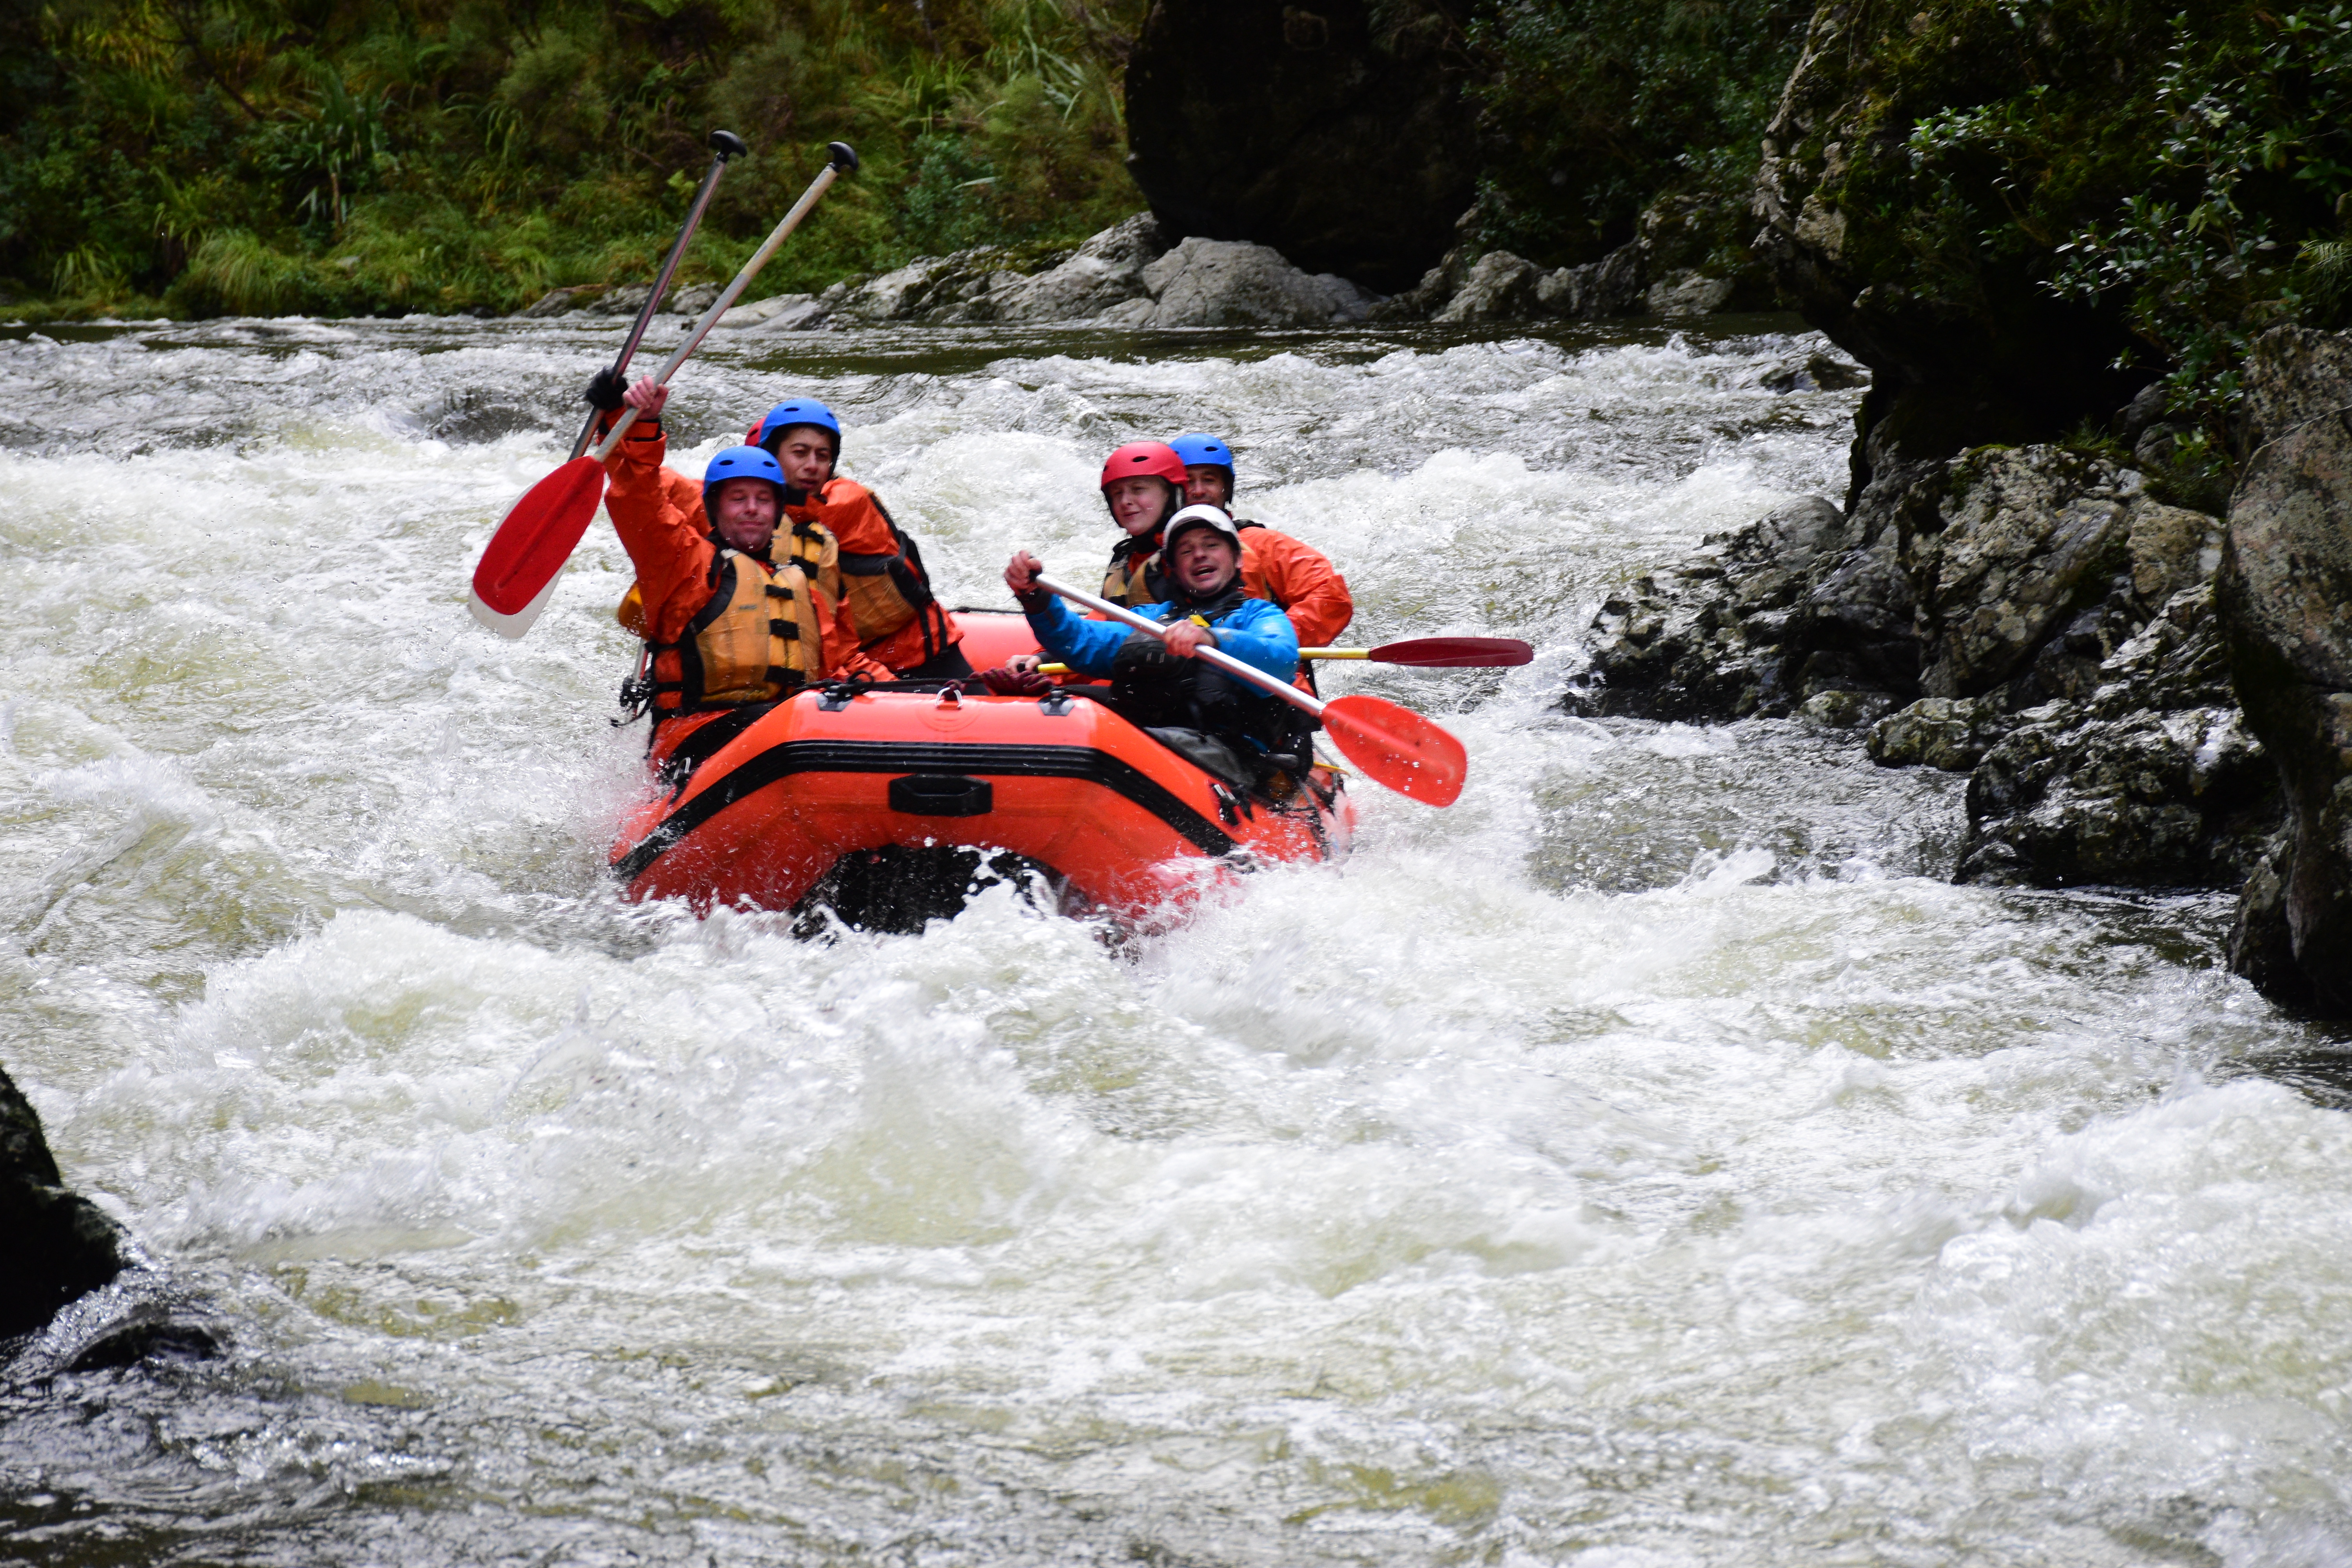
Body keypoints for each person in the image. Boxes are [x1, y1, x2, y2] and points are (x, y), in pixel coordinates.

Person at [601, 378, 886, 727]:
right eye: (738, 499)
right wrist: (636, 423)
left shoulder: (799, 587)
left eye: (764, 500)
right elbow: (639, 497)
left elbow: (841, 660)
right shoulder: (683, 562)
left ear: (777, 512)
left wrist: (902, 701)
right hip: (700, 732)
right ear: (715, 508)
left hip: (784, 730)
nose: (752, 509)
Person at [1003, 506, 1312, 787]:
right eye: (1186, 551)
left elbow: (1281, 658)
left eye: (1212, 545)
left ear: (1238, 558)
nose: (1200, 555)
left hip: (1226, 755)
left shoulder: (1258, 615)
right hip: (1146, 743)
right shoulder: (1149, 619)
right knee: (1072, 711)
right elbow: (1081, 642)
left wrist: (1214, 639)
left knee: (1126, 744)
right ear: (1173, 569)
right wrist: (1036, 599)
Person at [748, 397, 970, 679]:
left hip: (921, 651)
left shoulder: (846, 501)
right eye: (800, 454)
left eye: (821, 455)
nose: (812, 466)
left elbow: (794, 514)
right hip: (862, 658)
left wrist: (731, 498)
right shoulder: (763, 513)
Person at [1167, 431, 1354, 650]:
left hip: (1259, 669)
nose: (1199, 491)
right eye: (1189, 482)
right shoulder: (1138, 561)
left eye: (1209, 480)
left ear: (1226, 488)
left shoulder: (1265, 545)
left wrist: (1264, 639)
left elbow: (1332, 599)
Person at [1095, 441, 1192, 606]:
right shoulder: (1124, 558)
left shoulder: (1195, 553)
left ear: (1170, 494)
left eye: (1138, 489)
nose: (1125, 501)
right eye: (1117, 493)